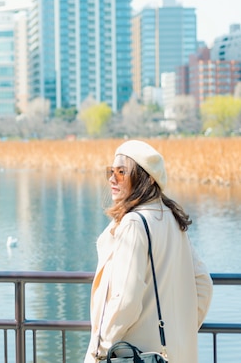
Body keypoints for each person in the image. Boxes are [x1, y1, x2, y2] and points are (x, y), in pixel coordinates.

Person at [84, 140, 213, 363]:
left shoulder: (134, 223)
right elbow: (203, 284)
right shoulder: (171, 218)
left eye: (122, 172)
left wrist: (99, 350)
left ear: (146, 177)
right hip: (172, 354)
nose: (112, 179)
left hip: (134, 355)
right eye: (111, 171)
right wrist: (179, 332)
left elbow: (125, 299)